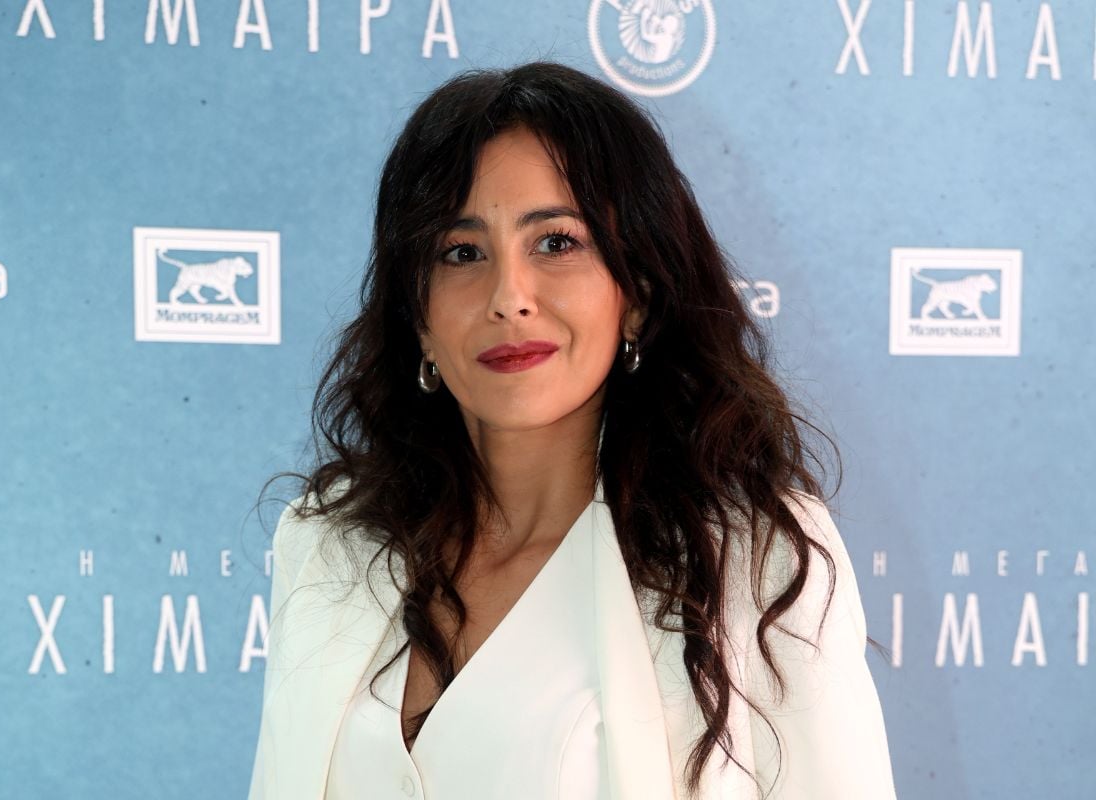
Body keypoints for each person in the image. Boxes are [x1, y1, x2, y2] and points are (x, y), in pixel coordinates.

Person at [248, 60, 898, 799]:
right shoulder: (325, 542)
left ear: (638, 295)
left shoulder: (755, 561)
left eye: (556, 242)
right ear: (418, 321)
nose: (509, 297)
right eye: (462, 253)